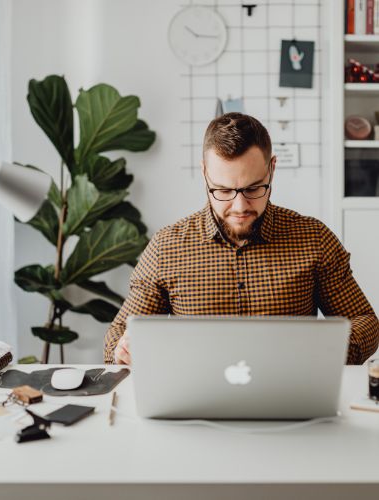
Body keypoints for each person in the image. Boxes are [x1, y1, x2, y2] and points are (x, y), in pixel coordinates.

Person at [104, 112, 379, 365]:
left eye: (253, 188)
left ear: (271, 169)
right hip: (194, 403)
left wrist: (326, 351)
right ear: (204, 174)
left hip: (290, 398)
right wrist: (123, 349)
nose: (239, 207)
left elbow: (365, 322)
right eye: (222, 190)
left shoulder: (314, 239)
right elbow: (118, 333)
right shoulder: (167, 247)